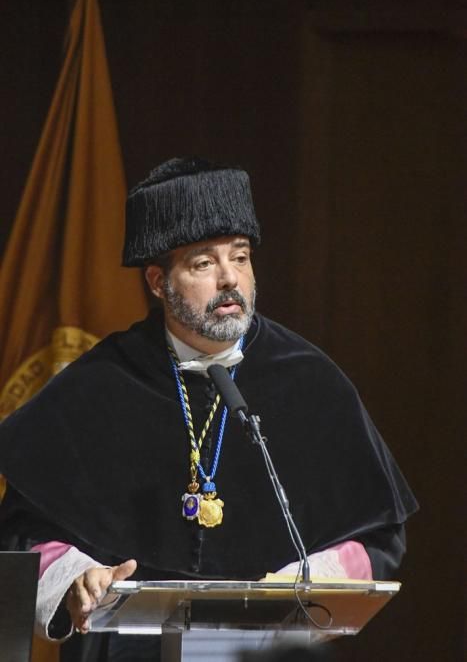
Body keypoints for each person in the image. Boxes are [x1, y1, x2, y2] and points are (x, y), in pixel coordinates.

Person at [0, 157, 418, 661]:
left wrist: (312, 581)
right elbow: (23, 531)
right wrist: (76, 577)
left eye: (240, 258)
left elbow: (378, 532)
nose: (229, 280)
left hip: (269, 649)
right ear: (158, 282)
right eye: (203, 263)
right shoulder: (97, 384)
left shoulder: (308, 378)